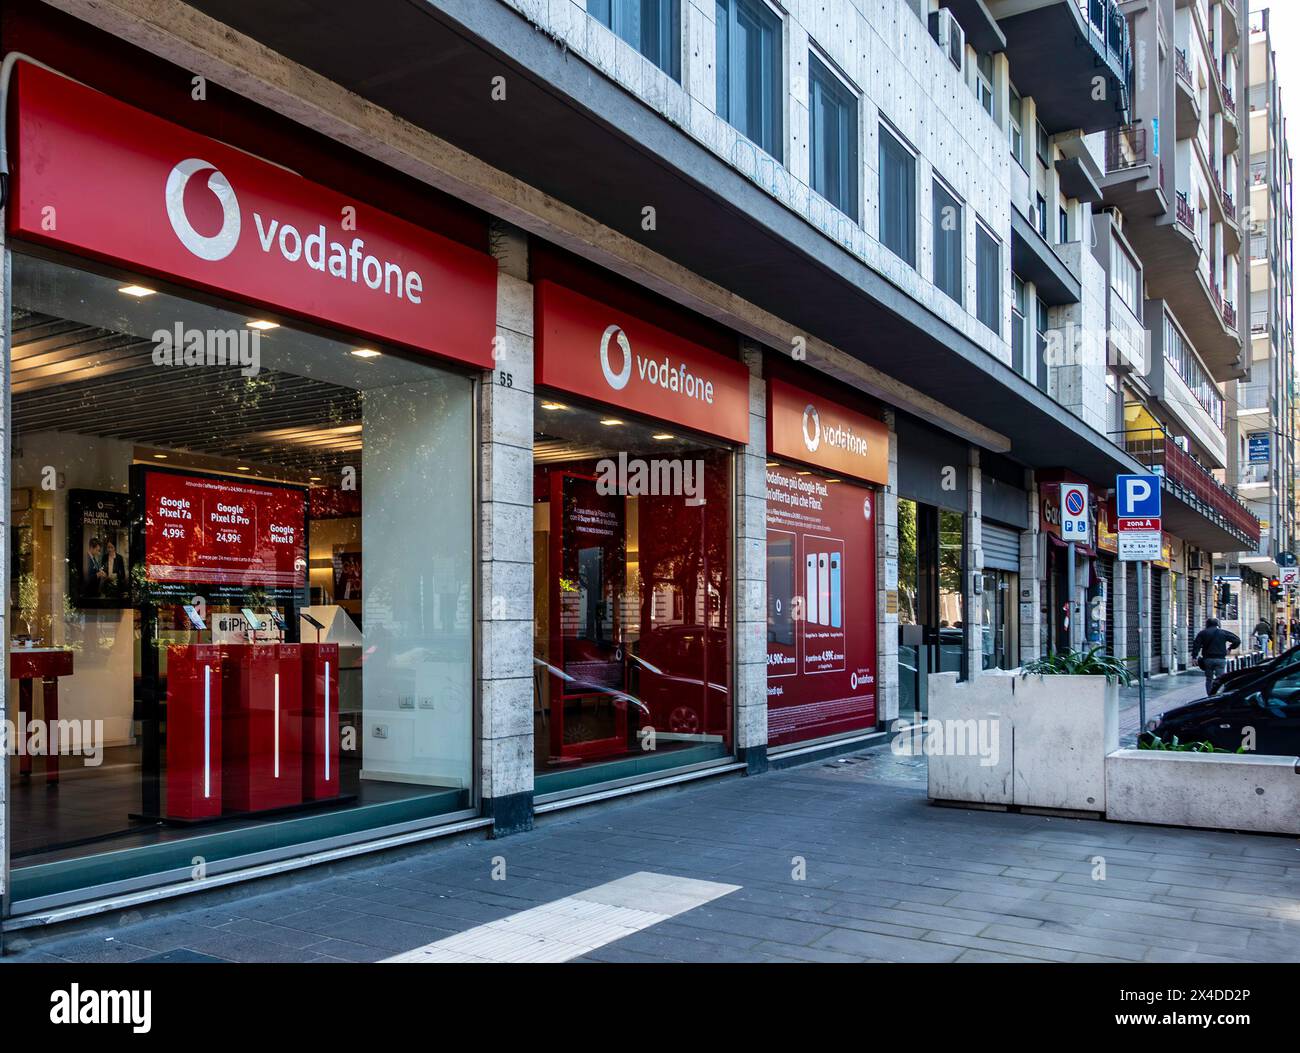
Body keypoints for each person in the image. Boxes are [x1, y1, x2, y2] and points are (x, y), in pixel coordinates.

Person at [1191, 617, 1241, 695]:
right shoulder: (1223, 632)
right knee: (1220, 679)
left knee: (1209, 679)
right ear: (1217, 624)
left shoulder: (1203, 633)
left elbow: (1196, 645)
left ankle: (1210, 696)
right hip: (1220, 660)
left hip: (1208, 660)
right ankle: (1219, 695)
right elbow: (1237, 640)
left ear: (1207, 624)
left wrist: (1194, 657)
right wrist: (1230, 648)